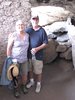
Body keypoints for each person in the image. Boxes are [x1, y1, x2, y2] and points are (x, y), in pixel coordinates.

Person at [26, 15, 48, 93]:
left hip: (38, 55)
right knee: (30, 69)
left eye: (36, 19)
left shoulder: (42, 31)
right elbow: (21, 36)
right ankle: (32, 81)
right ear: (31, 20)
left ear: (38, 20)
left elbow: (45, 43)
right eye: (33, 19)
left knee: (38, 71)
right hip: (29, 55)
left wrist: (37, 49)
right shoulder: (28, 30)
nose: (35, 21)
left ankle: (38, 83)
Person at [7, 20, 29, 97]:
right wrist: (9, 59)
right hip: (15, 60)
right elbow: (9, 48)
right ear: (16, 26)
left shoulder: (27, 35)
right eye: (18, 25)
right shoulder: (13, 35)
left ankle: (23, 86)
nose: (20, 26)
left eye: (22, 24)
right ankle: (16, 89)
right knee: (15, 75)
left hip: (24, 59)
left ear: (24, 26)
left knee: (25, 74)